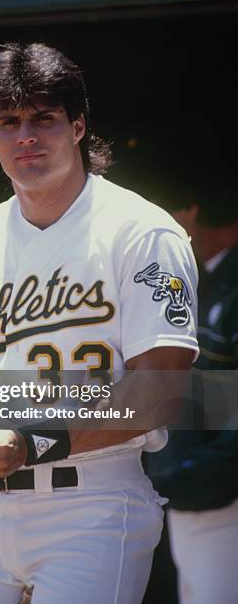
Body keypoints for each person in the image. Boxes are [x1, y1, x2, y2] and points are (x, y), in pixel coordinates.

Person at [0, 42, 199, 604]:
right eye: (8, 121)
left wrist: (35, 441)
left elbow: (162, 389)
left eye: (44, 118)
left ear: (79, 125)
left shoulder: (139, 232)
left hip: (94, 500)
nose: (25, 136)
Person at [145, 193, 238, 604]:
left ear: (191, 211)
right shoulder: (200, 281)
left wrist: (213, 467)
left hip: (221, 493)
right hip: (189, 488)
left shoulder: (225, 283)